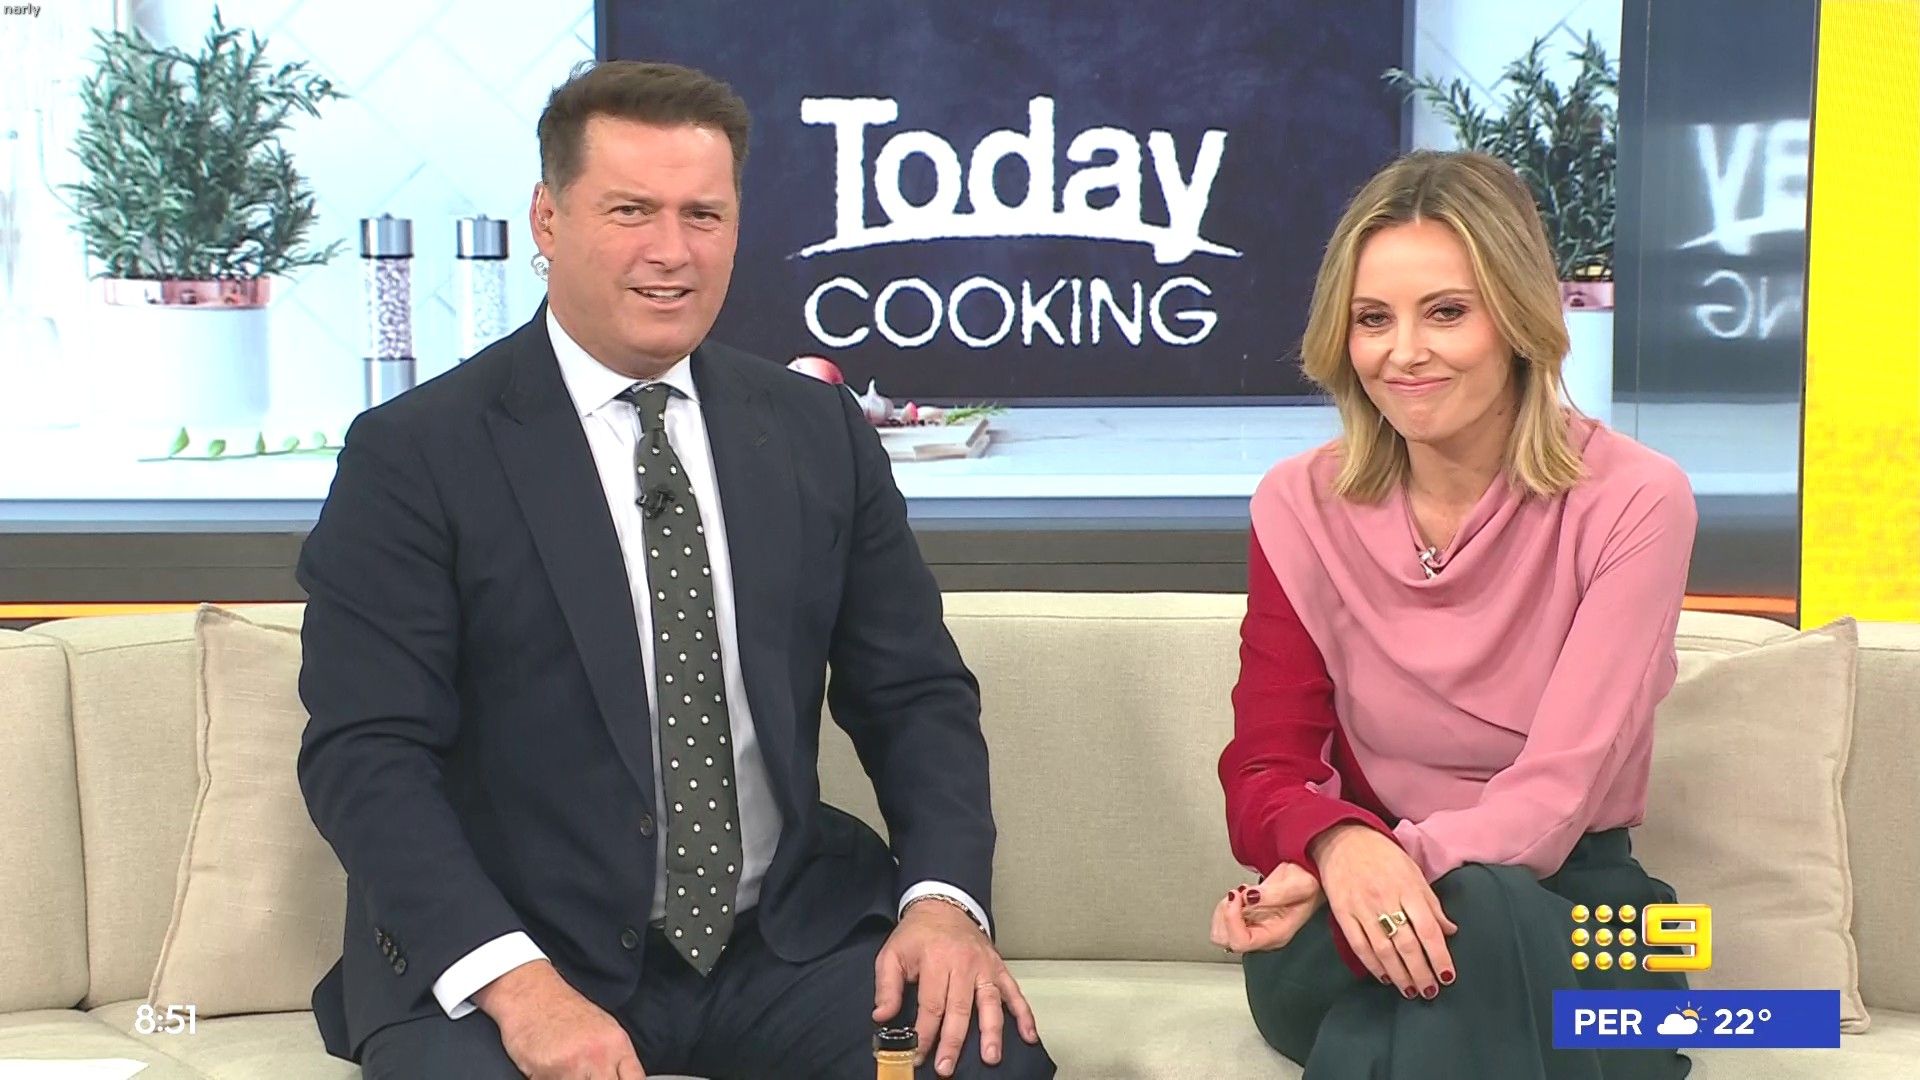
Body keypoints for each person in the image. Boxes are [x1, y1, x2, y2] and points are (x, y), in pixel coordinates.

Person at [297, 60, 1053, 1080]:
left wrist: (942, 903)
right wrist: (519, 989)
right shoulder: (416, 453)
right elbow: (366, 754)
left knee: (983, 1065)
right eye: (630, 211)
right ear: (547, 219)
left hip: (781, 942)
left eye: (704, 215)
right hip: (520, 952)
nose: (671, 251)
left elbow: (914, 693)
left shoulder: (817, 430)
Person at [1209, 150, 1695, 1080]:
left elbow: (1555, 797)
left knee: (1490, 911)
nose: (1404, 352)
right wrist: (1337, 844)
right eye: (1372, 319)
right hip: (1352, 916)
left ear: (1517, 317)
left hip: (1575, 905)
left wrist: (1378, 859)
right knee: (1503, 955)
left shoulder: (1636, 500)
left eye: (1445, 312)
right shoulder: (1298, 503)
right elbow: (1266, 764)